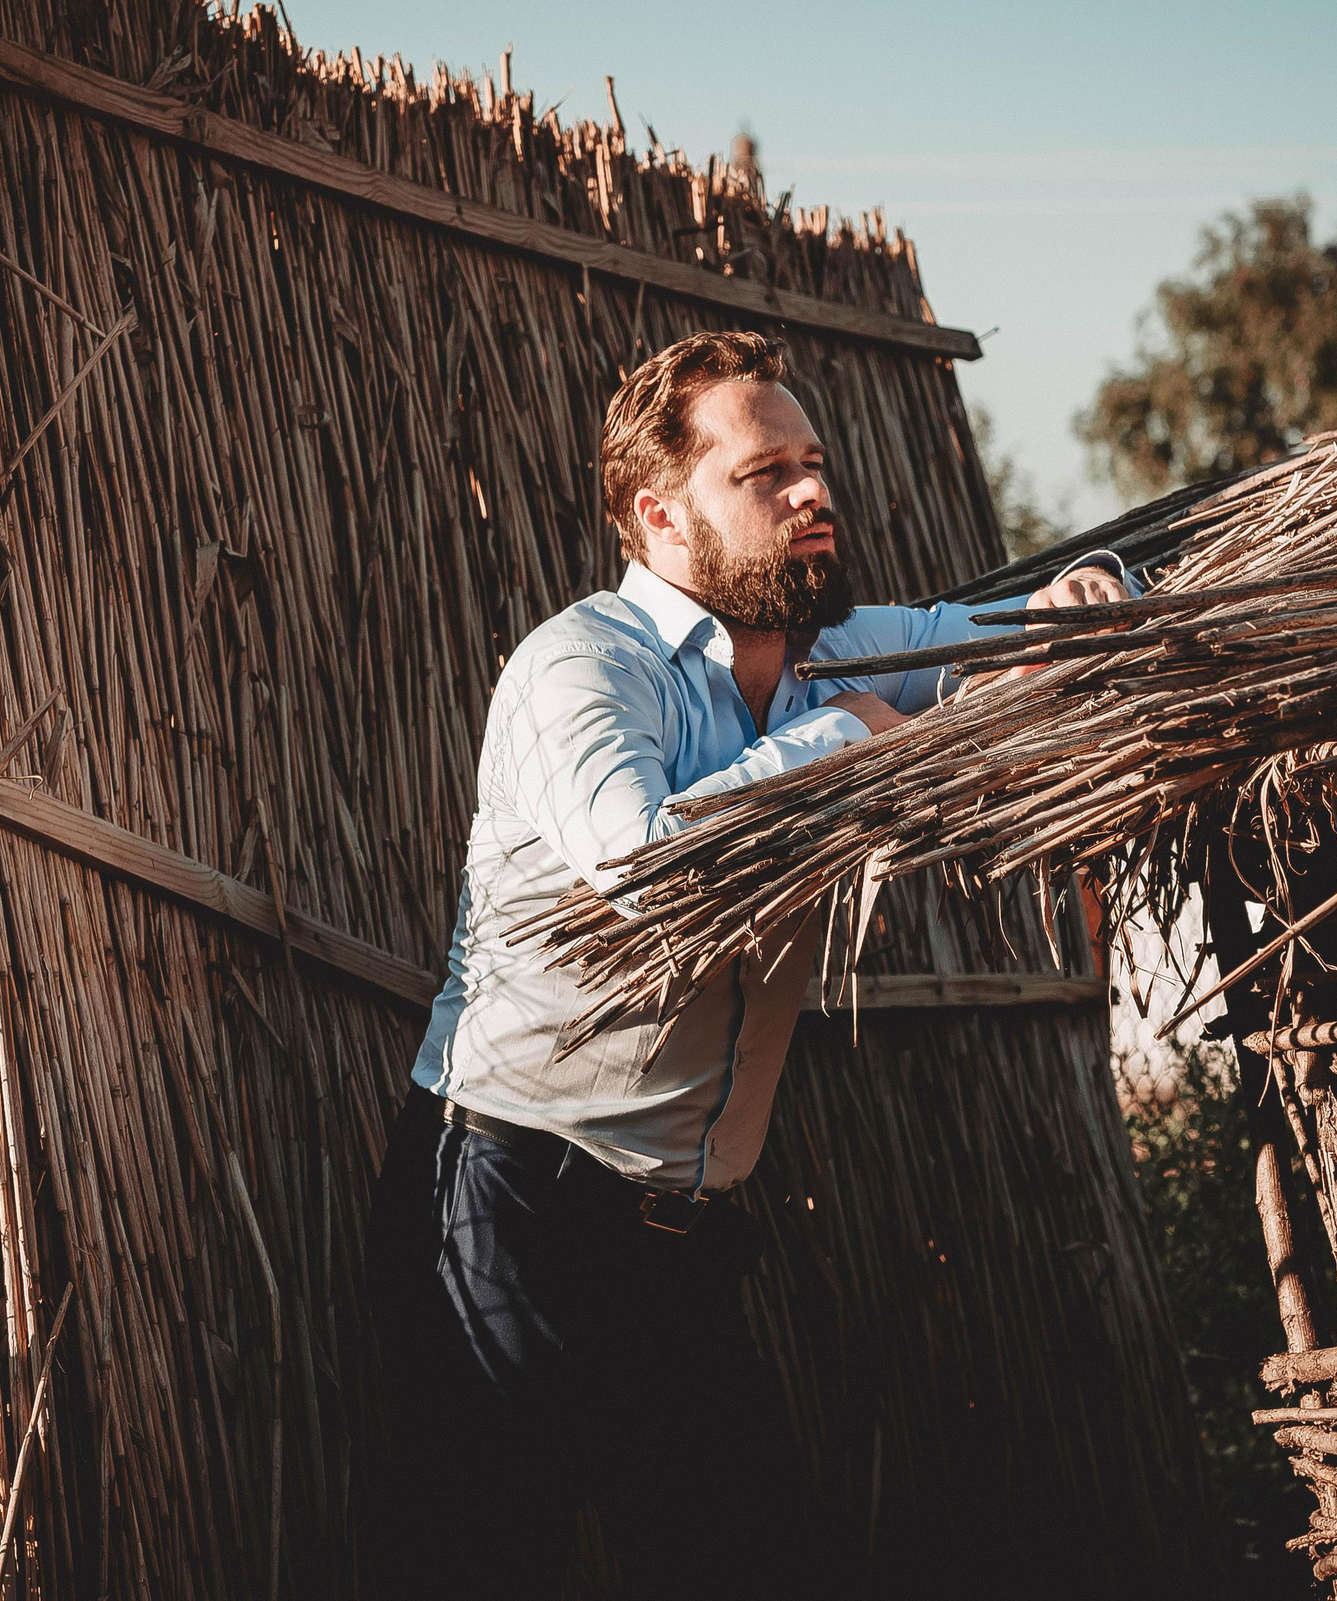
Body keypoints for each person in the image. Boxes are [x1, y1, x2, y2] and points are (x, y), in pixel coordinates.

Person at [362, 330, 1132, 1598]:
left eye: (815, 464)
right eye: (766, 473)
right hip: (508, 1202)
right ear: (661, 516)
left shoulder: (847, 648)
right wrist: (845, 740)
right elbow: (647, 869)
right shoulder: (581, 668)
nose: (813, 493)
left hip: (677, 1240)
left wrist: (1089, 590)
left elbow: (1023, 631)